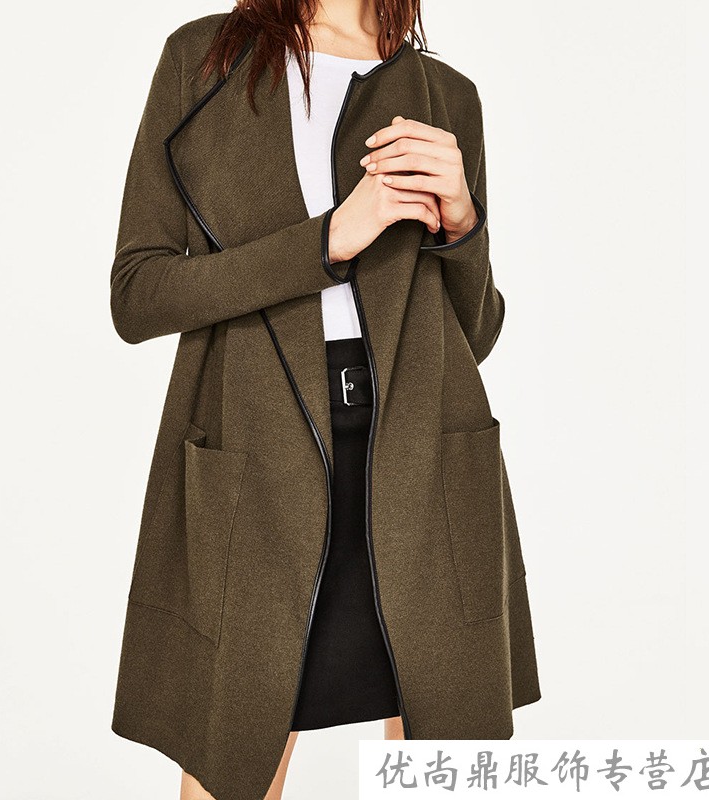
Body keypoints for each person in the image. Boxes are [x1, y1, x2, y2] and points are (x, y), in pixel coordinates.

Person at [109, 2, 542, 799]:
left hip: (422, 461)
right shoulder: (207, 60)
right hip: (256, 458)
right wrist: (328, 240)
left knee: (438, 761)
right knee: (234, 760)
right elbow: (138, 294)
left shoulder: (446, 93)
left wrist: (462, 225)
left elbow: (474, 333)